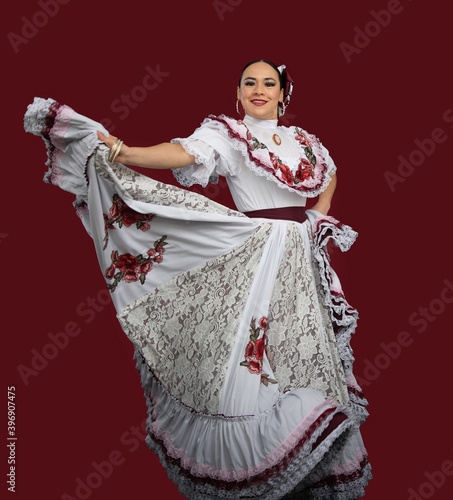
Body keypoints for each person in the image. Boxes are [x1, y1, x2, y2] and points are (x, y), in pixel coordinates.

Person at [24, 59, 371, 499]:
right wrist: (127, 152)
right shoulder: (227, 134)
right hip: (254, 255)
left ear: (284, 94)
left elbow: (331, 174)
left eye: (269, 83)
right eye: (250, 82)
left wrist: (315, 218)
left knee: (300, 354)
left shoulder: (305, 142)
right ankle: (255, 465)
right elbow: (185, 154)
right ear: (238, 91)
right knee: (250, 364)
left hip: (302, 259)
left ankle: (308, 470)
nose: (258, 90)